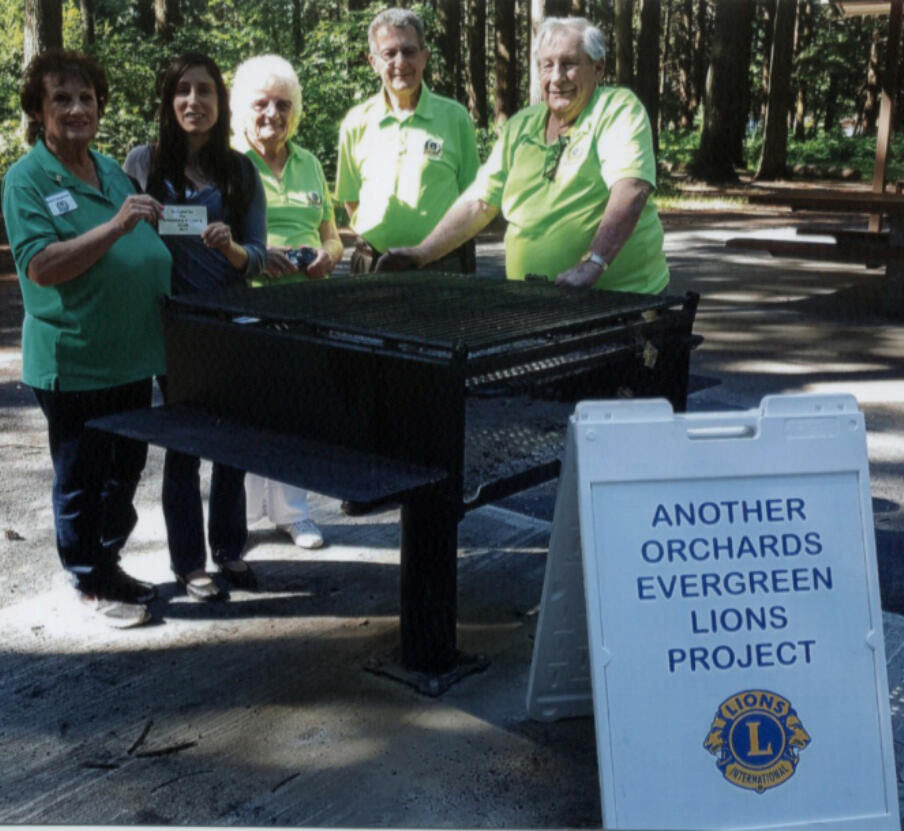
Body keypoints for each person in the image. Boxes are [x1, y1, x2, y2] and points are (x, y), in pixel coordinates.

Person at [2, 49, 170, 628]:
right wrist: (115, 226)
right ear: (38, 112)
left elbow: (148, 235)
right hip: (74, 359)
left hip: (132, 353)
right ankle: (87, 580)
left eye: (87, 99)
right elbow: (43, 266)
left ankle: (109, 563)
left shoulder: (110, 169)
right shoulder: (27, 180)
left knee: (125, 472)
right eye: (62, 100)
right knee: (82, 477)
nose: (77, 109)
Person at [377, 17, 669, 295]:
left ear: (598, 67)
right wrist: (422, 253)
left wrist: (594, 262)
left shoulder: (616, 109)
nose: (556, 77)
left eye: (568, 64)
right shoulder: (522, 125)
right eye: (547, 65)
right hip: (535, 303)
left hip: (622, 303)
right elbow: (479, 202)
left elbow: (630, 188)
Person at [124, 53, 266, 599]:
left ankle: (230, 549)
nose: (193, 101)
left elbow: (257, 255)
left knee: (231, 444)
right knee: (184, 446)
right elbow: (122, 237)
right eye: (182, 91)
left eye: (205, 91)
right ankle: (189, 563)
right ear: (168, 101)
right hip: (172, 328)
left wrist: (230, 248)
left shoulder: (240, 170)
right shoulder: (142, 163)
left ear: (220, 103)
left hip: (231, 326)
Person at [231, 54, 338, 550]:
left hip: (304, 305)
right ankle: (249, 513)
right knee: (249, 410)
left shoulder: (310, 162)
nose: (271, 113)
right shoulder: (228, 163)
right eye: (260, 103)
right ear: (240, 108)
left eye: (282, 104)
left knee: (295, 412)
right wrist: (258, 255)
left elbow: (333, 237)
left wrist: (326, 256)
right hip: (248, 299)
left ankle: (295, 514)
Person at [335, 7, 480, 274]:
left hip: (442, 265)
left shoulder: (455, 118)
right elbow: (351, 201)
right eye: (389, 53)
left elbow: (472, 199)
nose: (400, 62)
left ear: (424, 57)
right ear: (373, 62)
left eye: (409, 51)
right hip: (373, 266)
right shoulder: (355, 123)